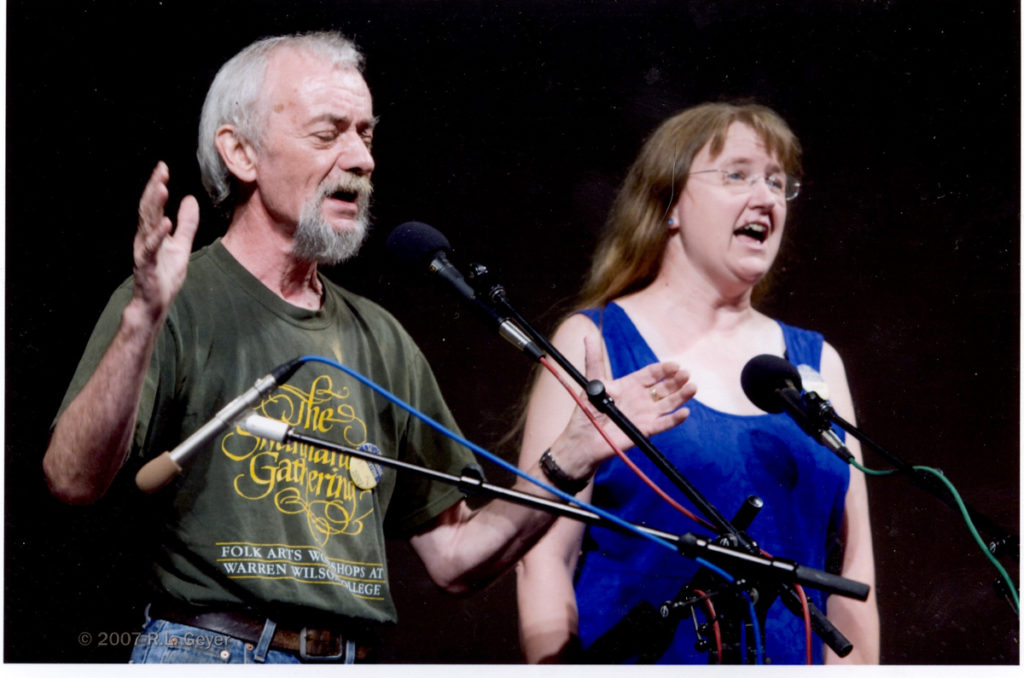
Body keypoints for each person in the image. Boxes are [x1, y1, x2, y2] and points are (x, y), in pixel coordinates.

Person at [42, 32, 697, 664]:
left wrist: (567, 464)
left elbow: (457, 560)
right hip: (214, 652)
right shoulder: (172, 300)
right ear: (241, 154)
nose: (362, 159)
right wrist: (141, 321)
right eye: (329, 133)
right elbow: (71, 480)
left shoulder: (381, 338)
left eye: (366, 134)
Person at [516, 102, 879, 664]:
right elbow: (544, 558)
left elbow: (853, 573)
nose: (765, 198)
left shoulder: (816, 362)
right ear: (669, 204)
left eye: (777, 183)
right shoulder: (595, 343)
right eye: (736, 175)